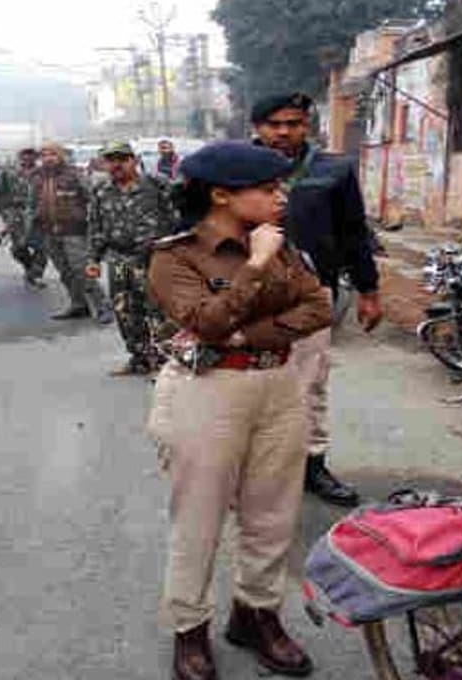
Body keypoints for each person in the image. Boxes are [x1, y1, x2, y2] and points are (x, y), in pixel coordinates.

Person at [148, 141, 331, 680]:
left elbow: (318, 306)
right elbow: (204, 323)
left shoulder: (280, 244)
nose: (282, 197)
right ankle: (189, 629)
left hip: (279, 383)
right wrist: (255, 265)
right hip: (209, 387)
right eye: (269, 188)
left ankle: (256, 616)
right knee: (198, 518)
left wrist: (246, 331)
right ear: (222, 194)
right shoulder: (175, 255)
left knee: (273, 515)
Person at [251, 92, 380, 507]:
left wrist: (368, 290)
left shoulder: (334, 170)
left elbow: (353, 233)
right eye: (275, 124)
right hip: (247, 296)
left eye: (294, 123)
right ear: (258, 128)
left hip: (312, 295)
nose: (284, 132)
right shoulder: (233, 168)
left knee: (310, 385)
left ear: (309, 125)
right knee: (250, 384)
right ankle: (257, 471)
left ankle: (313, 466)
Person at [86, 140, 177, 375]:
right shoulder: (101, 190)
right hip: (119, 260)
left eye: (122, 159)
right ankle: (140, 358)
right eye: (111, 160)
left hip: (154, 259)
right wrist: (93, 259)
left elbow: (176, 217)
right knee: (125, 312)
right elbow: (96, 226)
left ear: (134, 160)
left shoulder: (157, 184)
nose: (116, 165)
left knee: (159, 312)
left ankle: (168, 362)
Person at [32, 141, 111, 322]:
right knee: (65, 271)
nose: (48, 158)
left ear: (60, 156)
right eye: (44, 155)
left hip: (74, 231)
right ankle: (78, 305)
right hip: (49, 231)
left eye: (52, 154)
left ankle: (102, 306)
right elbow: (32, 203)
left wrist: (97, 225)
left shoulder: (74, 174)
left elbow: (93, 198)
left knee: (81, 270)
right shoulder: (37, 176)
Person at [0, 147, 48, 289]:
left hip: (39, 214)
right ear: (19, 156)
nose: (27, 158)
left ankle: (36, 275)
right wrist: (7, 217)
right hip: (17, 216)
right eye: (24, 154)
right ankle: (29, 268)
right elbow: (0, 199)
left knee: (42, 248)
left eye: (31, 155)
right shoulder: (9, 173)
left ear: (36, 157)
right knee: (18, 248)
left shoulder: (44, 174)